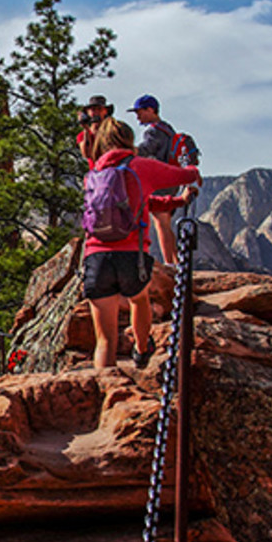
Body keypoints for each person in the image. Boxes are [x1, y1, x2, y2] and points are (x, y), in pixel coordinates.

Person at [83, 117, 200, 370]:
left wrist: (176, 202)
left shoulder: (94, 174)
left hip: (96, 256)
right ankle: (141, 347)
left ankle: (105, 396)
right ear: (129, 140)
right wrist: (192, 169)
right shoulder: (140, 167)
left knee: (104, 340)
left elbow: (142, 202)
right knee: (138, 300)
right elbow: (180, 174)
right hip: (131, 256)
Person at [127, 94, 187, 266]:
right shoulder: (168, 129)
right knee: (165, 222)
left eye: (139, 112)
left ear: (150, 110)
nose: (137, 116)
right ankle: (176, 261)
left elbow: (145, 150)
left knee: (161, 222)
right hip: (172, 180)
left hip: (160, 181)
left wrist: (124, 151)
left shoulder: (154, 130)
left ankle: (170, 264)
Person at [75, 94, 113, 166]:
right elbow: (87, 154)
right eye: (93, 110)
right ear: (87, 112)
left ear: (106, 111)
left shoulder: (112, 132)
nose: (96, 113)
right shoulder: (83, 135)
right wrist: (86, 128)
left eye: (99, 109)